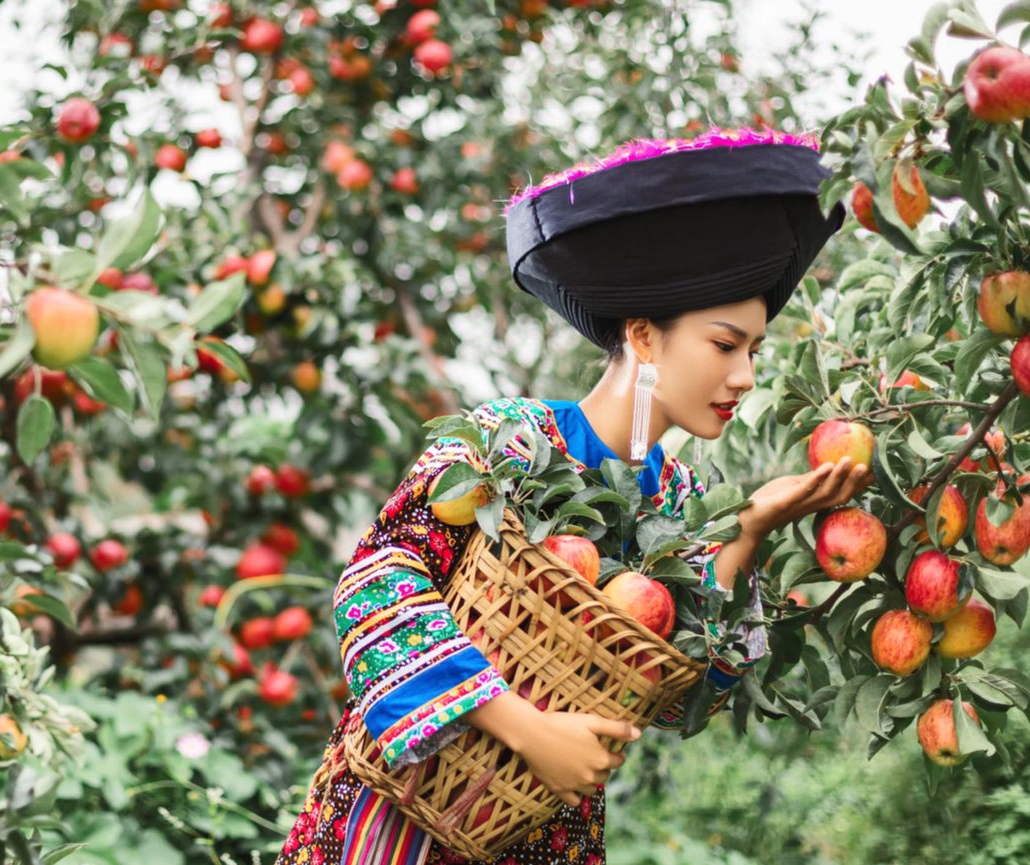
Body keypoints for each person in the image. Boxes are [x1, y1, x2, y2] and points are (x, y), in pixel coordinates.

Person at [275, 127, 872, 865]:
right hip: (399, 825)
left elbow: (690, 687)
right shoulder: (511, 444)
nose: (745, 374)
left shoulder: (683, 499)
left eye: (754, 350)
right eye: (725, 344)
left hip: (537, 835)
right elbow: (377, 585)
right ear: (646, 336)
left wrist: (749, 530)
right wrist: (528, 730)